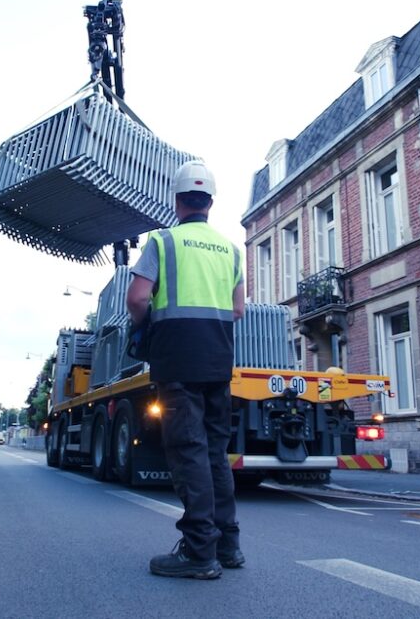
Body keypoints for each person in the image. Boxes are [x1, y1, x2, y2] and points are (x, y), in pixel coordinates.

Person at [126, 159, 246, 580]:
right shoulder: (231, 249)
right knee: (215, 452)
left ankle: (199, 553)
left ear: (177, 201)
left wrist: (146, 330)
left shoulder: (162, 242)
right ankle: (228, 545)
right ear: (210, 202)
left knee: (188, 451)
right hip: (218, 359)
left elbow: (138, 299)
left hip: (177, 360)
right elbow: (237, 309)